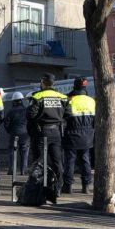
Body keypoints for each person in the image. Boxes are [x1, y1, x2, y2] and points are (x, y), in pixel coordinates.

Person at [27, 73, 68, 204]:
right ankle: (57, 189)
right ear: (53, 83)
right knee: (57, 162)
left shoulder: (37, 96)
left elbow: (30, 115)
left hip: (42, 131)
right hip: (56, 132)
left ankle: (37, 190)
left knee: (39, 161)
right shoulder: (63, 97)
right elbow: (67, 114)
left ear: (43, 82)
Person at [62, 77, 96, 194]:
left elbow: (64, 117)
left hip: (72, 133)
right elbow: (95, 120)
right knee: (85, 160)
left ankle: (68, 186)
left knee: (70, 160)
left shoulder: (69, 100)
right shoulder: (91, 101)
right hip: (87, 135)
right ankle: (86, 186)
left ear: (74, 86)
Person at [4, 92, 29, 176]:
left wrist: (10, 131)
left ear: (14, 101)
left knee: (12, 151)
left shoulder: (10, 111)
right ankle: (23, 170)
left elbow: (6, 123)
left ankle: (11, 169)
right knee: (24, 152)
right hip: (25, 134)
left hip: (14, 134)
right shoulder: (26, 110)